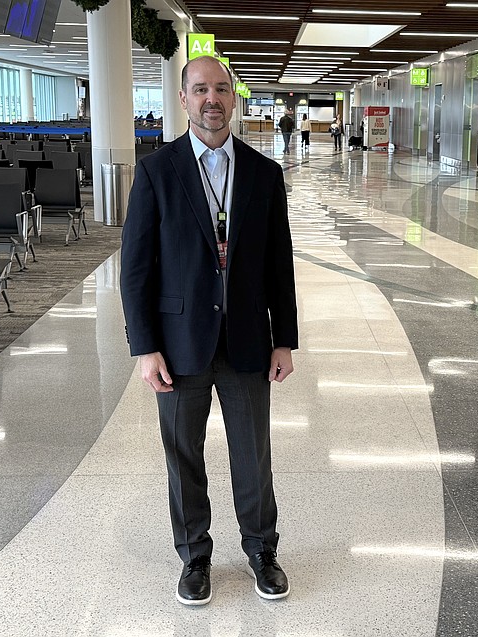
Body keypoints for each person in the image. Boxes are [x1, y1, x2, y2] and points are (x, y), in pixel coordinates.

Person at [120, 55, 298, 607]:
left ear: (233, 98)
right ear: (184, 99)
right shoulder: (157, 171)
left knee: (253, 456)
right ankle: (194, 557)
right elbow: (136, 268)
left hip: (248, 339)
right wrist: (145, 347)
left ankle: (262, 551)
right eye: (200, 90)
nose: (212, 99)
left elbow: (279, 264)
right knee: (183, 457)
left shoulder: (264, 174)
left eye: (221, 89)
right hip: (179, 344)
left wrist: (284, 338)